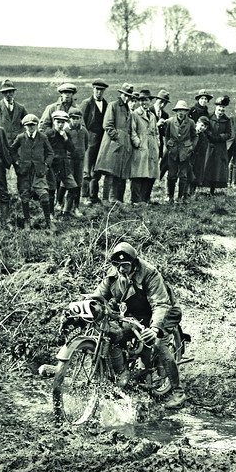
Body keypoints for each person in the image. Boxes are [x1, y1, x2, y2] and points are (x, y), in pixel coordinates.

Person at [89, 242, 186, 410]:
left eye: (125, 265)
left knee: (159, 344)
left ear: (134, 263)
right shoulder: (113, 275)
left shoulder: (149, 273)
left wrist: (155, 328)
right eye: (117, 265)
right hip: (138, 313)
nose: (120, 269)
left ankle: (178, 393)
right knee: (114, 334)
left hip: (165, 311)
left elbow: (161, 304)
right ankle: (124, 374)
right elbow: (98, 297)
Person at [10, 113, 54, 229]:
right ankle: (27, 221)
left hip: (39, 171)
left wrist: (46, 165)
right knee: (24, 196)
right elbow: (12, 150)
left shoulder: (43, 137)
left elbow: (50, 153)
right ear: (25, 126)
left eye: (33, 125)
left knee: (44, 195)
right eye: (28, 125)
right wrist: (17, 163)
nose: (31, 128)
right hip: (24, 172)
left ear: (37, 125)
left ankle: (48, 221)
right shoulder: (20, 137)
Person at [94, 82, 135, 203]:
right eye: (125, 95)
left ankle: (115, 199)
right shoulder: (113, 105)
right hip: (113, 145)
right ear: (121, 94)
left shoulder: (127, 109)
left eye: (129, 96)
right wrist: (117, 137)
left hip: (124, 146)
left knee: (119, 174)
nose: (127, 98)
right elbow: (107, 125)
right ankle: (106, 198)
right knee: (110, 173)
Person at [79, 79, 110, 205]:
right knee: (86, 169)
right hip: (89, 140)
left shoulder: (106, 104)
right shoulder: (86, 103)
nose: (99, 92)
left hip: (101, 142)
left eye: (101, 90)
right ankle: (84, 196)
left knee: (97, 169)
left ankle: (94, 196)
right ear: (93, 90)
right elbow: (81, 123)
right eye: (97, 90)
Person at [44, 111, 77, 218]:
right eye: (58, 122)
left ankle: (65, 211)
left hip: (63, 165)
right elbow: (43, 149)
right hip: (51, 165)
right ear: (54, 122)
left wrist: (66, 139)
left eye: (63, 122)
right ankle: (51, 214)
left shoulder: (66, 134)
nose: (60, 125)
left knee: (73, 187)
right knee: (51, 190)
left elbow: (72, 149)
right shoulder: (48, 133)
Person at [129, 91, 159, 205]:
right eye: (141, 100)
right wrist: (138, 143)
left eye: (146, 100)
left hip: (152, 146)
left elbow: (156, 131)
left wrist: (157, 143)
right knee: (138, 173)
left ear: (150, 101)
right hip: (141, 147)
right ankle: (135, 200)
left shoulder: (152, 115)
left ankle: (145, 198)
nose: (143, 102)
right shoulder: (135, 114)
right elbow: (132, 131)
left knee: (150, 174)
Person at [202, 96, 231, 195]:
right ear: (216, 108)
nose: (221, 111)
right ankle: (202, 187)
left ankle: (212, 190)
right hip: (209, 146)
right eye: (219, 108)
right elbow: (205, 128)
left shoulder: (227, 120)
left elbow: (229, 133)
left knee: (217, 168)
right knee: (206, 166)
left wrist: (219, 137)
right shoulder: (209, 117)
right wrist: (210, 135)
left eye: (223, 109)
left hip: (220, 148)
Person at [64, 107, 88, 216]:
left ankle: (76, 207)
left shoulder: (84, 131)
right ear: (69, 119)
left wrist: (81, 154)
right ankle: (63, 206)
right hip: (69, 160)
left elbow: (86, 145)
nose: (75, 121)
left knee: (78, 183)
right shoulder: (66, 131)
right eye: (73, 118)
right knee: (69, 182)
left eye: (78, 118)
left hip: (80, 160)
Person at [151, 89, 171, 180]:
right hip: (149, 143)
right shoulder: (149, 111)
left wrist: (166, 126)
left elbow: (164, 133)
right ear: (156, 100)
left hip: (159, 144)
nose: (162, 105)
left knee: (155, 165)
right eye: (161, 102)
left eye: (165, 103)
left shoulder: (165, 115)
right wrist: (157, 125)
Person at [190, 116, 210, 195]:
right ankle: (185, 192)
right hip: (190, 157)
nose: (203, 128)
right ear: (197, 123)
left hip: (199, 159)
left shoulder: (204, 136)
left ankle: (192, 191)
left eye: (205, 126)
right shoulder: (191, 133)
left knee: (197, 175)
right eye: (201, 125)